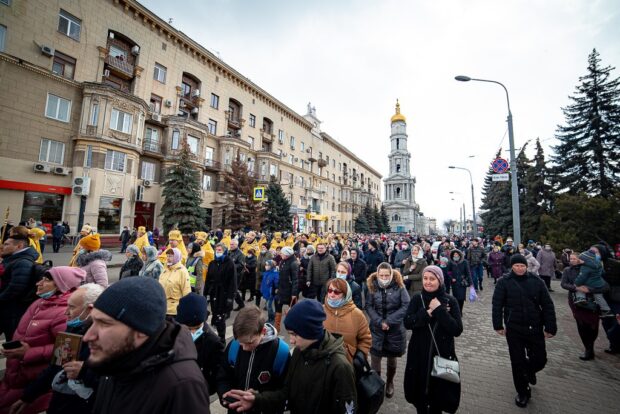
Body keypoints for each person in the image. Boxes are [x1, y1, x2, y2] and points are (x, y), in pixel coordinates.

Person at [83, 277, 210, 413]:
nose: (87, 336)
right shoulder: (116, 358)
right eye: (93, 322)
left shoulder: (182, 386)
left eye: (104, 324)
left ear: (141, 331)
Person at [225, 300, 357, 414]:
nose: (291, 341)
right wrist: (256, 400)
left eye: (294, 334)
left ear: (310, 332)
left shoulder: (340, 367)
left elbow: (347, 409)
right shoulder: (300, 352)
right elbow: (286, 393)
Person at [0, 266, 85, 413]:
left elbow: (66, 352)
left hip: (37, 384)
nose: (38, 283)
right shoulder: (39, 303)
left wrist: (28, 353)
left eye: (46, 280)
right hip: (16, 376)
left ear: (60, 285)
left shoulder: (64, 312)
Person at [11, 283, 104, 414]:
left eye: (71, 307)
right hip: (60, 403)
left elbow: (117, 384)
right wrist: (28, 396)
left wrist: (84, 372)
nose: (66, 312)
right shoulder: (73, 329)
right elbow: (56, 365)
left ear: (90, 309)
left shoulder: (108, 339)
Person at [492, 254, 557, 408]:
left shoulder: (536, 281)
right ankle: (523, 392)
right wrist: (498, 325)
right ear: (512, 267)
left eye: (522, 266)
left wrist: (550, 327)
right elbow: (497, 305)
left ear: (526, 266)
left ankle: (529, 371)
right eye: (516, 266)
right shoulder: (504, 282)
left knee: (540, 359)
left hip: (535, 327)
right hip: (514, 329)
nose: (520, 268)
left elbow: (548, 305)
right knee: (517, 361)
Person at [403, 266, 462, 414]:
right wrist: (428, 312)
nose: (428, 282)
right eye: (425, 278)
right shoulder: (417, 298)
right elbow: (408, 322)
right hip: (419, 354)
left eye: (432, 279)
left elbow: (456, 329)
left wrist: (439, 310)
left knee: (438, 397)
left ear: (440, 281)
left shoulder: (450, 300)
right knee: (420, 396)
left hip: (441, 354)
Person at [217, 305, 290, 413]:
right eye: (241, 343)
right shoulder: (234, 346)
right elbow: (223, 376)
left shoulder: (280, 352)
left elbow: (286, 392)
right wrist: (226, 394)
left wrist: (259, 399)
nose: (245, 348)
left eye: (250, 343)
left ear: (263, 331)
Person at [366, 262, 410, 398]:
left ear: (391, 274)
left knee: (392, 358)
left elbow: (406, 304)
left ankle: (390, 382)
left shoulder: (400, 286)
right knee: (375, 358)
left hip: (394, 329)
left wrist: (389, 321)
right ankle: (377, 384)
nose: (384, 278)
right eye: (381, 275)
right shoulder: (372, 286)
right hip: (376, 329)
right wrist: (379, 322)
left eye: (387, 275)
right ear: (377, 274)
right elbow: (368, 305)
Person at [175, 293, 224, 395]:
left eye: (197, 329)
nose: (192, 333)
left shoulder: (214, 343)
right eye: (188, 329)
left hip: (198, 392)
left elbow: (215, 377)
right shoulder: (174, 333)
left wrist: (201, 390)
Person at [561, 252, 606, 360]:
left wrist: (589, 289)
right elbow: (563, 284)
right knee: (581, 325)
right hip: (576, 301)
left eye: (574, 258)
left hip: (592, 301)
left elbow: (602, 285)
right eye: (570, 258)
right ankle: (588, 349)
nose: (572, 260)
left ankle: (591, 345)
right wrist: (576, 288)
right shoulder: (568, 270)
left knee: (593, 325)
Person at [0, 235, 40, 340]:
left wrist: (1, 298)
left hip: (12, 310)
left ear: (19, 246)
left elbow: (16, 287)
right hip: (6, 309)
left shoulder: (22, 262)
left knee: (12, 341)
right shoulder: (12, 259)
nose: (2, 246)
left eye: (6, 244)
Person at [323, 277, 372, 362]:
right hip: (323, 362)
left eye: (336, 292)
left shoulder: (357, 314)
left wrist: (360, 356)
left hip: (347, 363)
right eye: (330, 290)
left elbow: (366, 339)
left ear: (345, 294)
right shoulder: (320, 311)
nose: (332, 294)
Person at [205, 243, 237, 341]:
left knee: (221, 317)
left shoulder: (229, 263)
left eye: (220, 250)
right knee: (215, 313)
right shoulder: (212, 263)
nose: (217, 252)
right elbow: (208, 279)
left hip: (224, 294)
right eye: (216, 250)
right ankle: (215, 336)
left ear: (224, 251)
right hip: (214, 293)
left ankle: (222, 338)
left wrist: (230, 298)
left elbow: (233, 282)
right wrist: (206, 293)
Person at [574, 249, 613, 317]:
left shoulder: (585, 267)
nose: (579, 260)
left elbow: (581, 278)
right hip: (599, 283)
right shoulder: (598, 263)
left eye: (580, 259)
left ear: (585, 260)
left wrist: (576, 283)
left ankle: (581, 298)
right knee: (598, 296)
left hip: (591, 284)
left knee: (580, 287)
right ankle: (606, 310)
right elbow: (603, 272)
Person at [158, 248, 191, 318]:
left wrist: (185, 309)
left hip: (175, 311)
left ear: (176, 257)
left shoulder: (182, 271)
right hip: (163, 308)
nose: (168, 258)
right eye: (167, 256)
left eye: (171, 256)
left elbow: (186, 291)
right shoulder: (165, 269)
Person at [274, 246, 299, 332]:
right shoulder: (282, 261)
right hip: (281, 289)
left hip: (290, 291)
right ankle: (277, 327)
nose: (280, 254)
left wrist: (294, 294)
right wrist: (277, 287)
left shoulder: (294, 263)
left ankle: (294, 328)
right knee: (277, 305)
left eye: (282, 253)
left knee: (293, 310)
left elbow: (295, 280)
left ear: (287, 254)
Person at [260, 259, 279, 324]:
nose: (266, 266)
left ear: (271, 266)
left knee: (268, 306)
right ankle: (272, 316)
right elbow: (263, 283)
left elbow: (276, 284)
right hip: (266, 292)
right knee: (268, 305)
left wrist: (275, 290)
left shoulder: (275, 273)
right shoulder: (266, 273)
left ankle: (271, 317)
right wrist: (262, 289)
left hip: (271, 293)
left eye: (267, 265)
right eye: (265, 265)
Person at [255, 243, 273, 307]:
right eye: (262, 247)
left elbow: (269, 265)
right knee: (257, 291)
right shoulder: (260, 254)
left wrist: (265, 273)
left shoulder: (269, 255)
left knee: (266, 290)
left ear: (267, 248)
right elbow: (258, 263)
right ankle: (257, 305)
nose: (262, 248)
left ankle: (267, 304)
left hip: (266, 275)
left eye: (264, 247)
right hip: (258, 275)